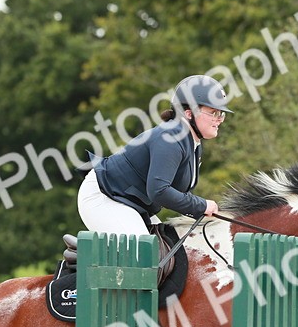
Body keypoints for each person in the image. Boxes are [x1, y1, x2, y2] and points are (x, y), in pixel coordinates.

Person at [77, 74, 232, 236]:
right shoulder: (171, 138)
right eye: (213, 112)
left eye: (221, 113)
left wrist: (203, 209)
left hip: (131, 205)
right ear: (189, 113)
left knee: (170, 252)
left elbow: (176, 192)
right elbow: (159, 191)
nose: (220, 119)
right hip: (104, 197)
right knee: (144, 254)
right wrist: (201, 205)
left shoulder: (192, 143)